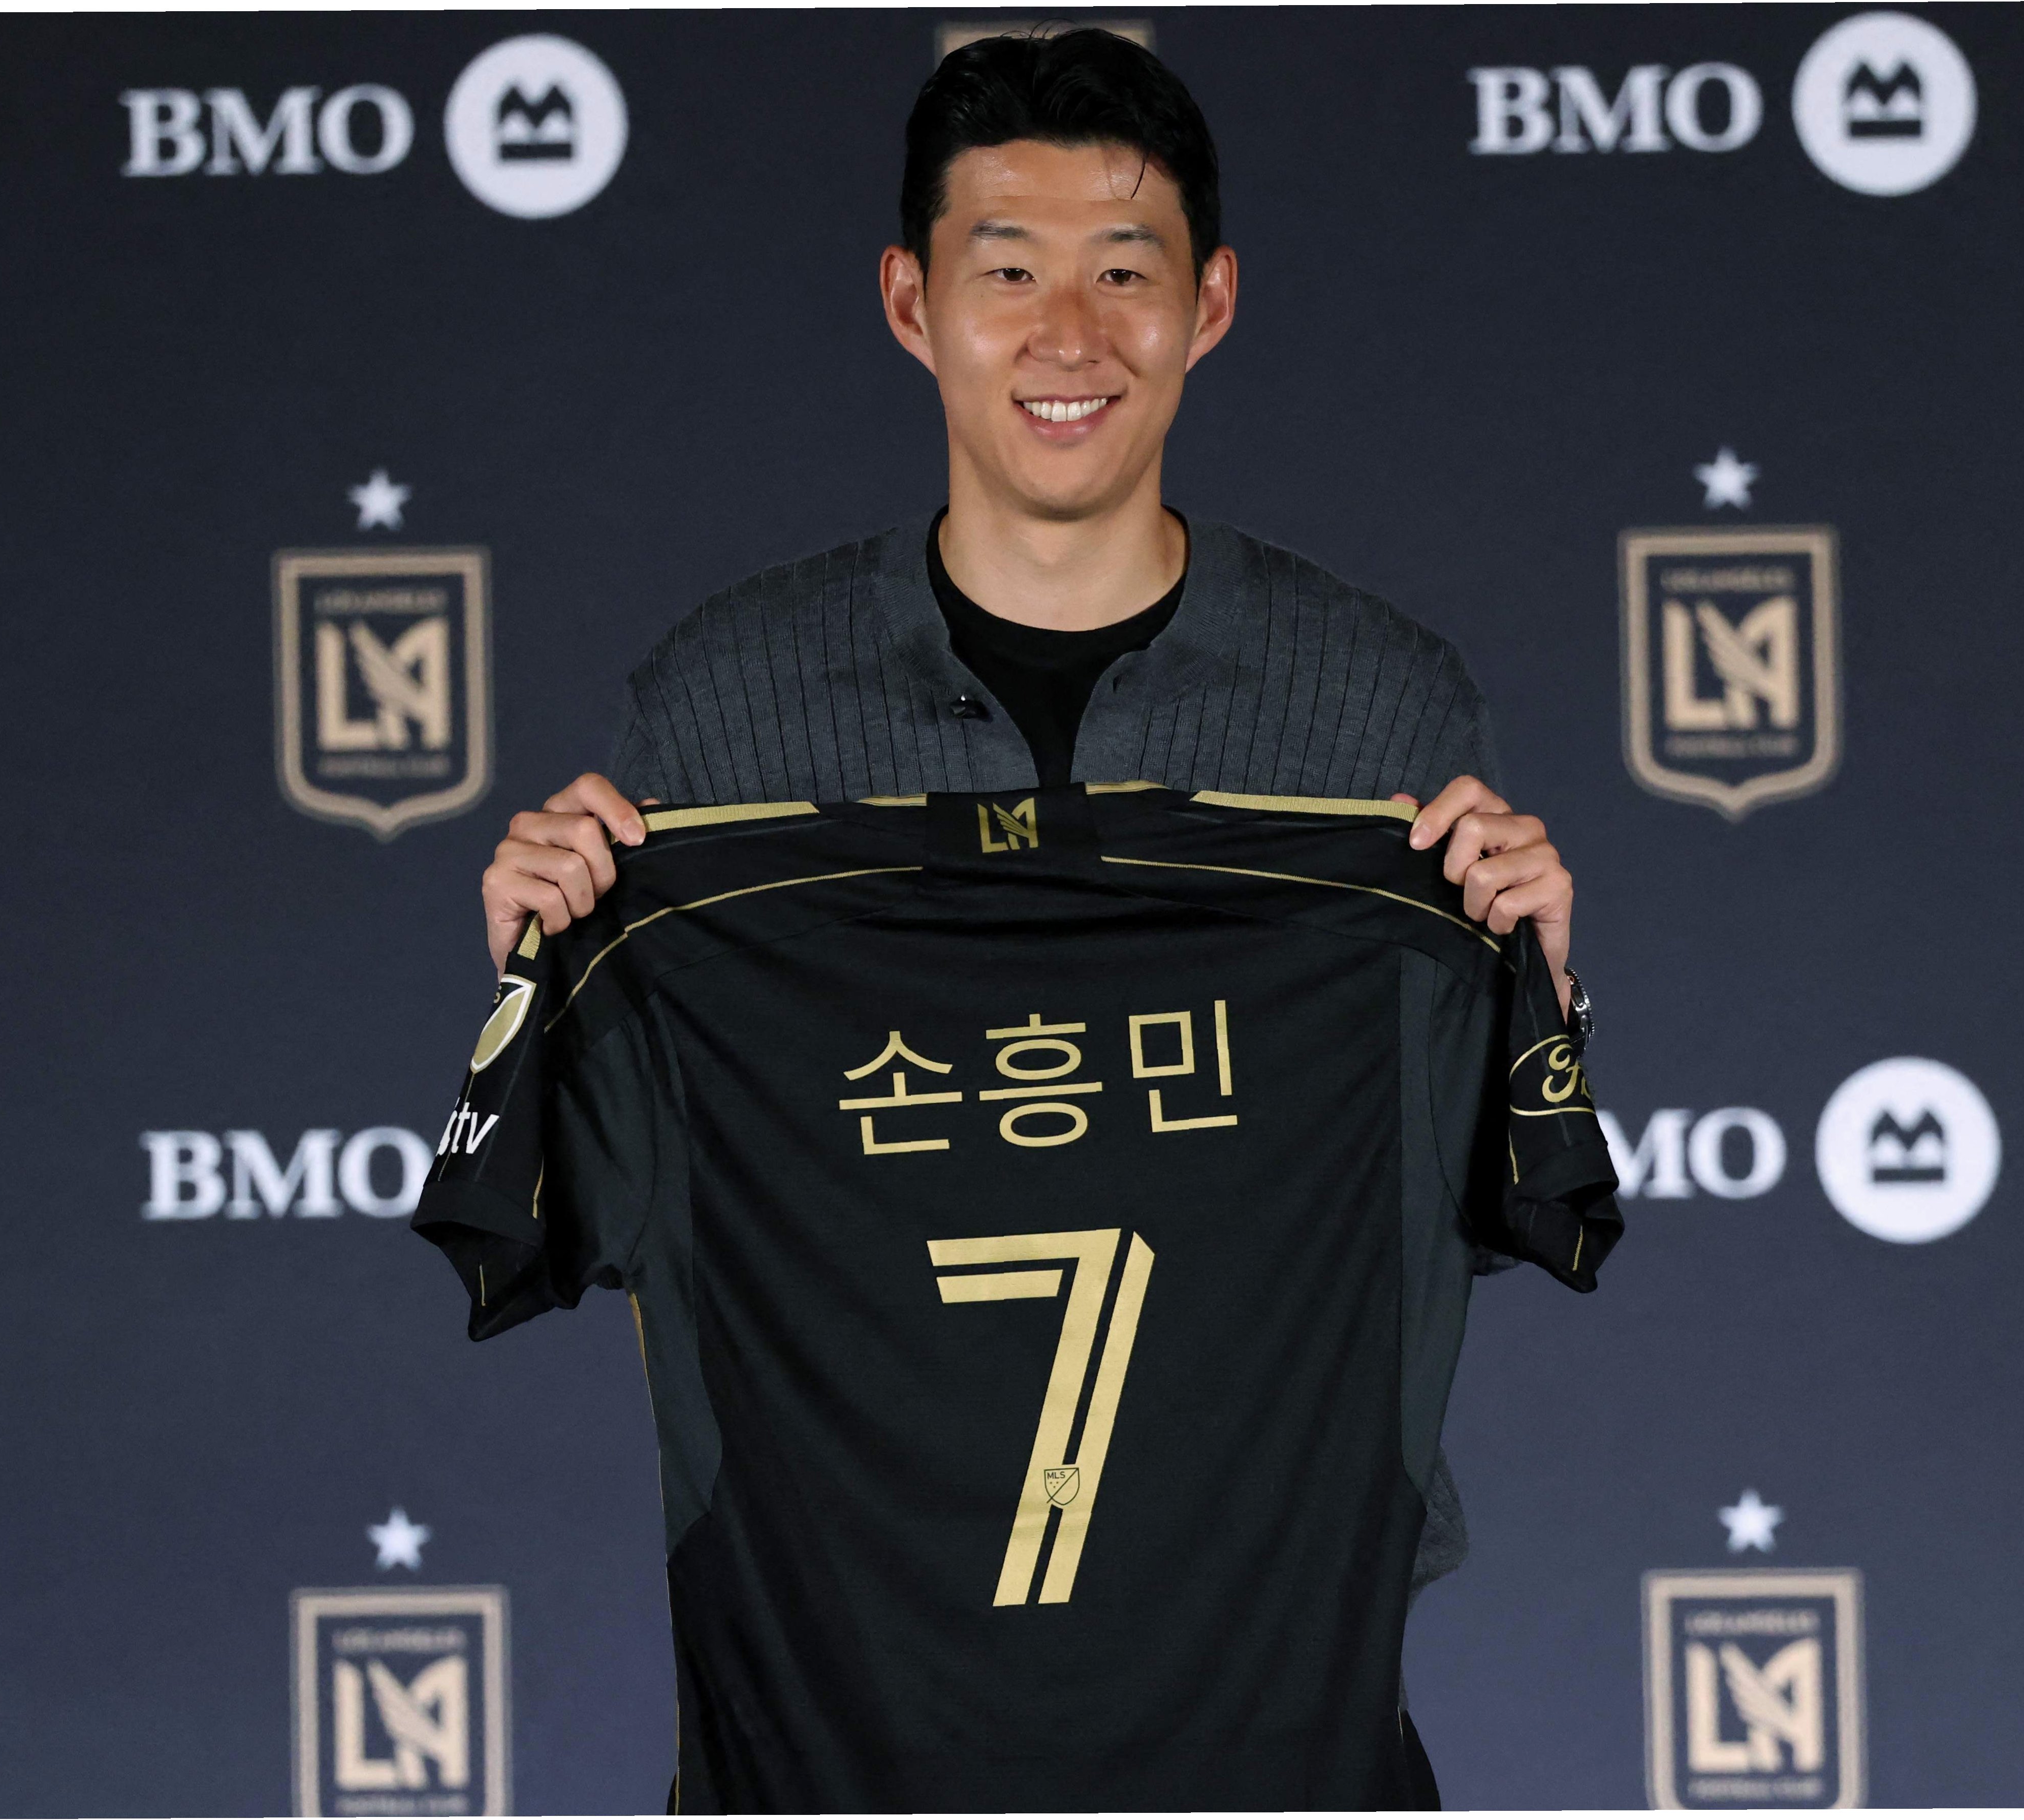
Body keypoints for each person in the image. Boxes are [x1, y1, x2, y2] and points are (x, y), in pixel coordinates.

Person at [471, 25, 1585, 1801]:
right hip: (845, 1740)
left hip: (1267, 1735)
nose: (1070, 336)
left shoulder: (1382, 707)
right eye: (1009, 273)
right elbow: (614, 1211)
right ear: (911, 303)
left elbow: (1459, 1212)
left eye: (1124, 272)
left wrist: (1529, 992)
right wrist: (560, 982)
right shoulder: (721, 707)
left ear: (1211, 304)